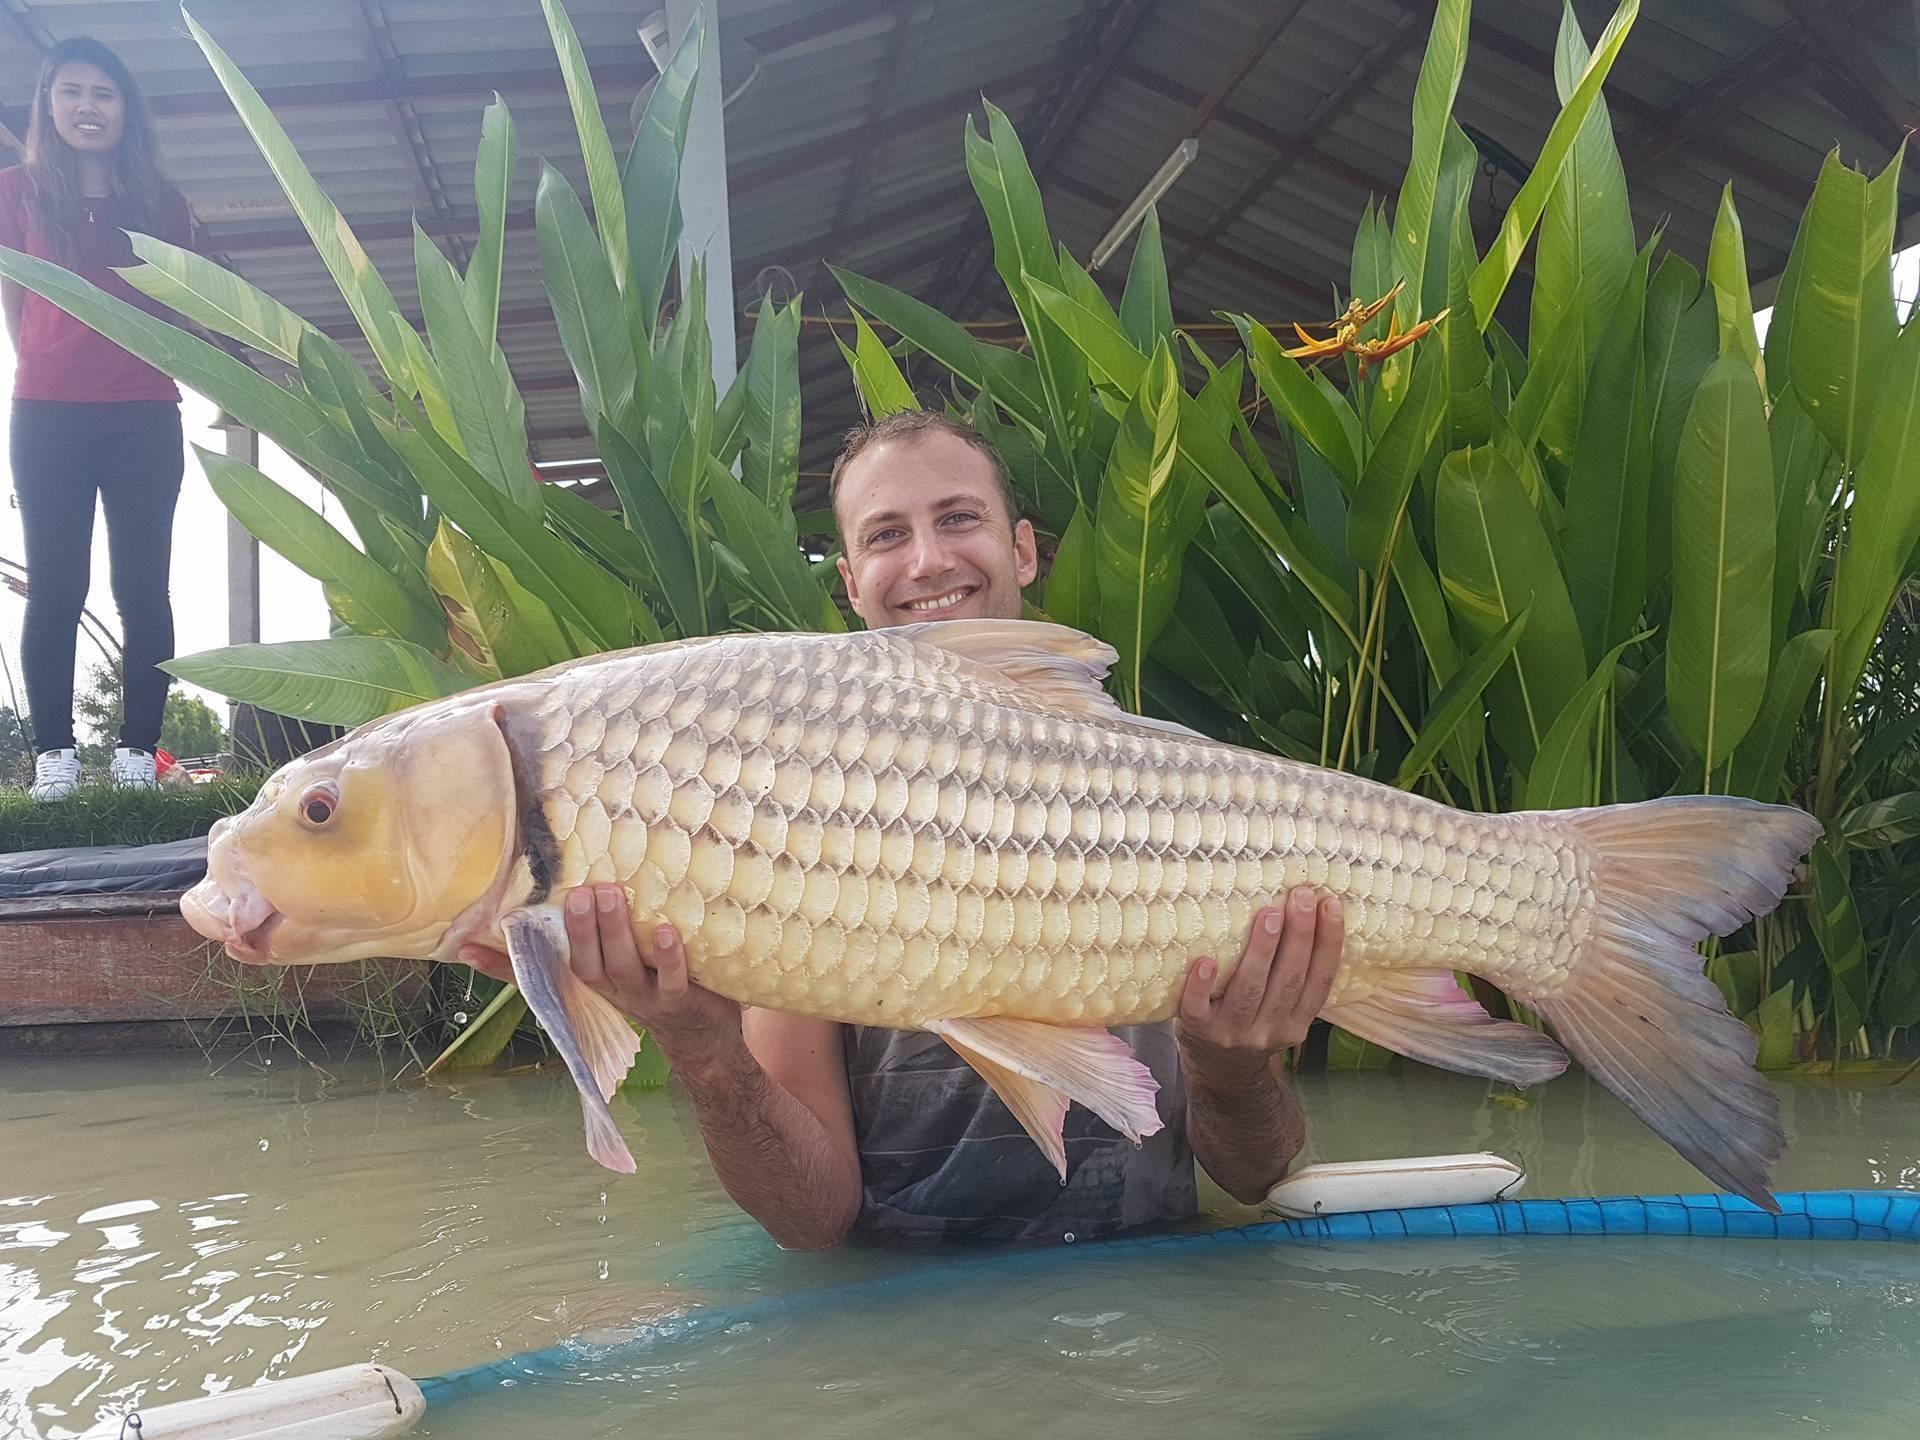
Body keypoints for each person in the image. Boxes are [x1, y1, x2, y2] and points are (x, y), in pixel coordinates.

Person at [465, 412, 1344, 1247]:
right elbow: (813, 1224)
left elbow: (1255, 1176)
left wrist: (1226, 1063)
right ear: (850, 582)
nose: (927, 560)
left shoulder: (1185, 797)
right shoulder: (789, 812)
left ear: (1023, 550)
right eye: (886, 535)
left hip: (1156, 1303)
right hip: (918, 1306)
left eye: (958, 519)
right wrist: (703, 1049)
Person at [0, 37, 195, 800]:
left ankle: (137, 756)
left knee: (144, 589)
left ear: (125, 111)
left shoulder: (163, 204)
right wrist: (49, 361)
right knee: (55, 586)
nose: (88, 107)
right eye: (73, 92)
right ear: (49, 106)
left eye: (104, 94)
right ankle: (54, 757)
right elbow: (18, 306)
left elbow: (180, 309)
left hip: (145, 412)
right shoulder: (14, 193)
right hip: (47, 414)